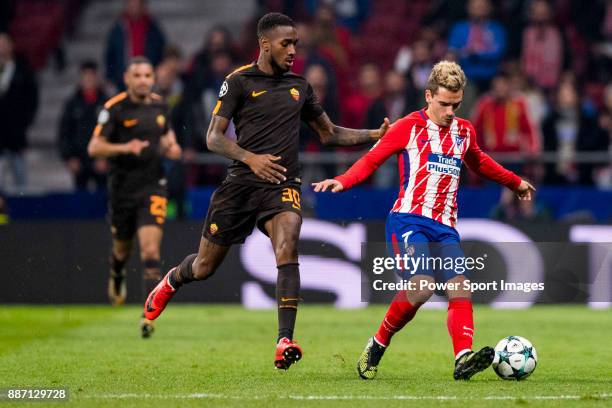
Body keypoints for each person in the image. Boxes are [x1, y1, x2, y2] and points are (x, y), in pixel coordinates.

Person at [142, 12, 389, 370]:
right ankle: (172, 280)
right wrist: (250, 158)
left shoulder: (300, 87)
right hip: (240, 184)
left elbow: (328, 133)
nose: (292, 50)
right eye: (285, 43)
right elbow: (213, 138)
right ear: (265, 44)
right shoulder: (238, 82)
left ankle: (284, 340)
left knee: (288, 242)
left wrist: (373, 136)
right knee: (204, 266)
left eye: (295, 44)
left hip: (282, 182)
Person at [312, 61, 535, 380]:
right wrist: (344, 180)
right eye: (444, 104)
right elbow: (372, 159)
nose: (450, 111)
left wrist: (515, 182)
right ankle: (378, 343)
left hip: (445, 228)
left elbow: (480, 162)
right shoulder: (407, 126)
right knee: (422, 286)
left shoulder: (464, 131)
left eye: (455, 105)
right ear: (428, 96)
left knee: (460, 287)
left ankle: (462, 358)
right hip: (408, 222)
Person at [87, 56, 181, 337]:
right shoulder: (113, 109)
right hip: (122, 189)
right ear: (127, 79)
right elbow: (94, 147)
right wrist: (126, 148)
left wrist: (172, 148)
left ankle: (148, 315)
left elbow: (168, 139)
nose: (143, 80)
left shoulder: (160, 105)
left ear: (153, 78)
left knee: (151, 252)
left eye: (147, 75)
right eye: (137, 75)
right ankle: (117, 272)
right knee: (122, 250)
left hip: (153, 185)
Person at [58, 61, 108, 191]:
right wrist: (69, 157)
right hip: (79, 161)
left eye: (91, 77)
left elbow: (114, 133)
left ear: (97, 78)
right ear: (80, 79)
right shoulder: (72, 104)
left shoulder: (107, 103)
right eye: (85, 77)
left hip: (101, 162)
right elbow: (65, 132)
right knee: (80, 201)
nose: (88, 80)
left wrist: (107, 158)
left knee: (102, 201)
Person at [0, 32, 38, 191]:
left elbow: (32, 99)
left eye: (4, 43)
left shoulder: (23, 70)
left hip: (16, 135)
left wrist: (24, 123)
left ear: (11, 45)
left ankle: (23, 215)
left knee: (20, 184)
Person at [104, 0, 166, 90]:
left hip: (149, 82)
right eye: (132, 4)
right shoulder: (118, 28)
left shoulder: (153, 28)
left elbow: (161, 52)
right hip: (123, 83)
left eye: (137, 4)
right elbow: (110, 56)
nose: (135, 8)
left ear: (143, 6)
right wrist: (113, 78)